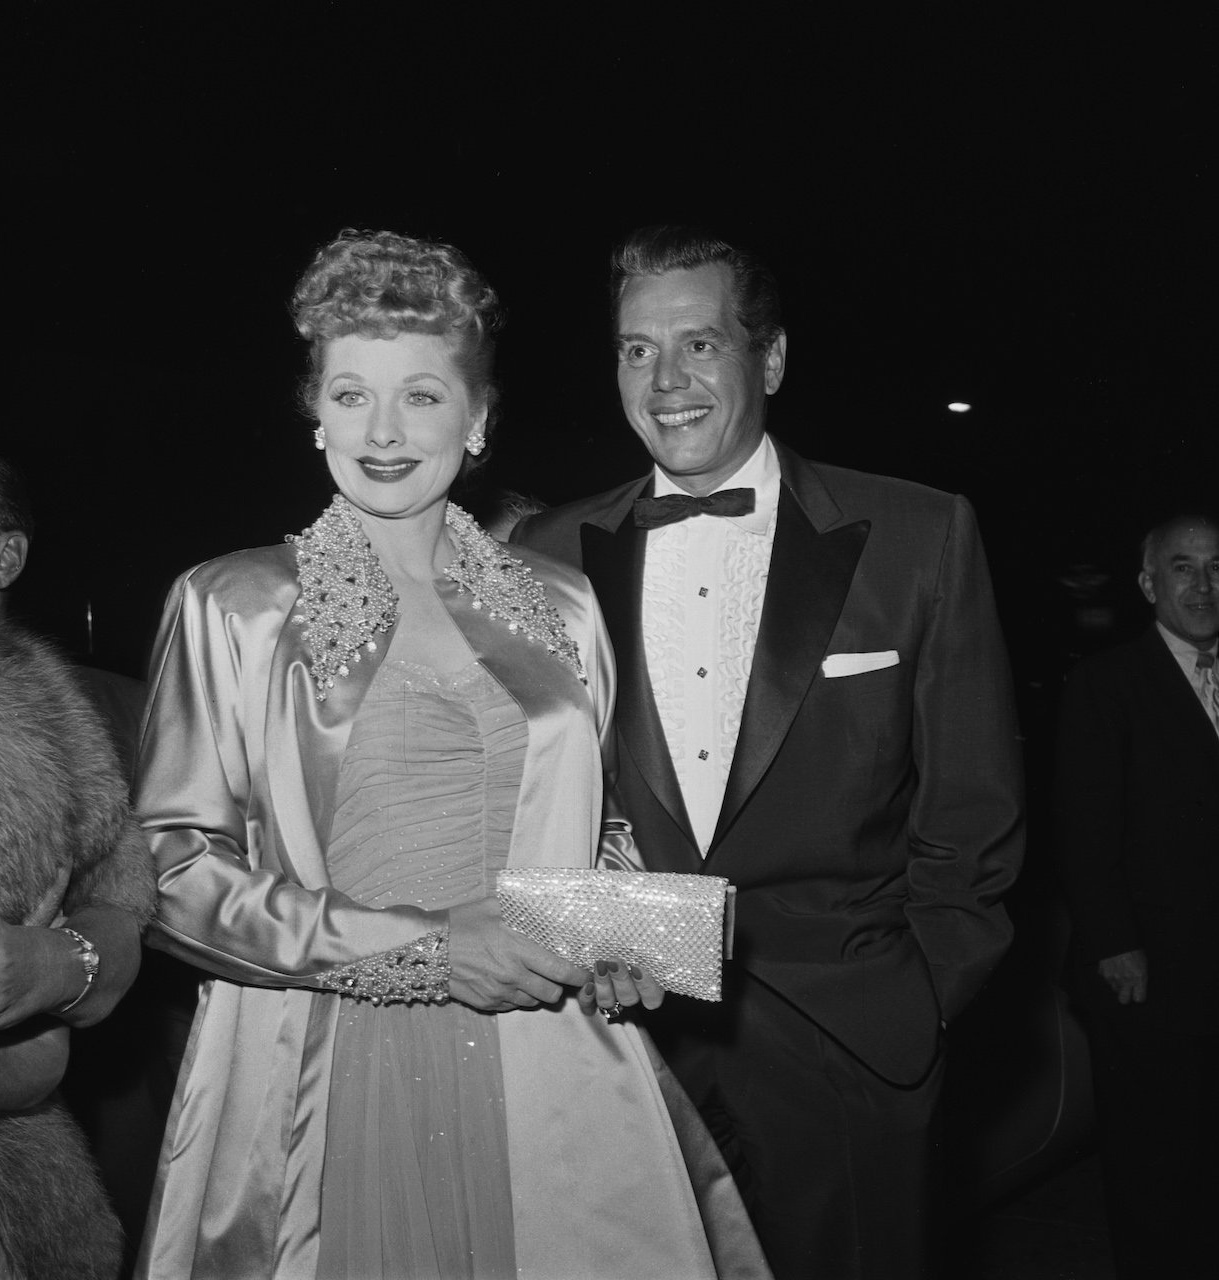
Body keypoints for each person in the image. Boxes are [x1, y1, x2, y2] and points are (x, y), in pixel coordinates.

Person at [133, 229, 768, 1280]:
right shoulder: (232, 601)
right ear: (315, 413)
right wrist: (425, 947)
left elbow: (596, 820)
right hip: (325, 1051)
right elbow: (174, 875)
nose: (382, 431)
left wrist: (620, 933)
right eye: (350, 396)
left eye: (421, 397)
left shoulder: (561, 602)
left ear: (475, 421)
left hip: (547, 1047)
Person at [512, 226, 1025, 1279]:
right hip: (626, 1044)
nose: (665, 381)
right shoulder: (545, 554)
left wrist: (920, 1001)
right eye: (635, 349)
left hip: (853, 1040)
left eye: (699, 344)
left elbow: (974, 812)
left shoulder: (922, 535)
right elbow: (527, 803)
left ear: (772, 360)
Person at [0, 439, 157, 1276]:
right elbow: (23, 1064)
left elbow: (122, 911)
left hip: (28, 1194)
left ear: (4, 557)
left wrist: (53, 964)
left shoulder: (44, 697)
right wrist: (27, 1059)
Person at [1056, 512, 1219, 1279]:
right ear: (1149, 584)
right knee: (1155, 1161)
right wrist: (1113, 943)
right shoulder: (1107, 683)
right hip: (1148, 970)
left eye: (1216, 566)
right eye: (1182, 567)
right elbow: (1084, 829)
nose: (1203, 584)